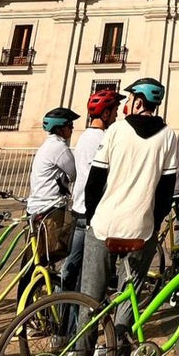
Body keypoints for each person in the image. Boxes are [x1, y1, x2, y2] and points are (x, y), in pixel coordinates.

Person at [76, 77, 178, 356]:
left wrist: (93, 218)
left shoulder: (116, 131)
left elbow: (94, 183)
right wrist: (152, 223)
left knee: (89, 302)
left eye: (131, 97)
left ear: (138, 101)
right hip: (139, 231)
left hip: (103, 226)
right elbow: (165, 194)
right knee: (126, 306)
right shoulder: (168, 136)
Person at [61, 88, 121, 292]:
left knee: (72, 268)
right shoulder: (105, 138)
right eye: (115, 111)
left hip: (78, 209)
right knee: (91, 276)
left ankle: (62, 307)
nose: (116, 115)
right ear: (105, 113)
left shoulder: (84, 136)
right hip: (94, 214)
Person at [22, 107, 79, 299]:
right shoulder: (59, 148)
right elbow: (74, 172)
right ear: (60, 128)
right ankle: (34, 301)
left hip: (37, 207)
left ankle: (30, 300)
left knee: (34, 260)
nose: (72, 128)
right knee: (46, 257)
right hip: (49, 209)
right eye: (69, 125)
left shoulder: (48, 145)